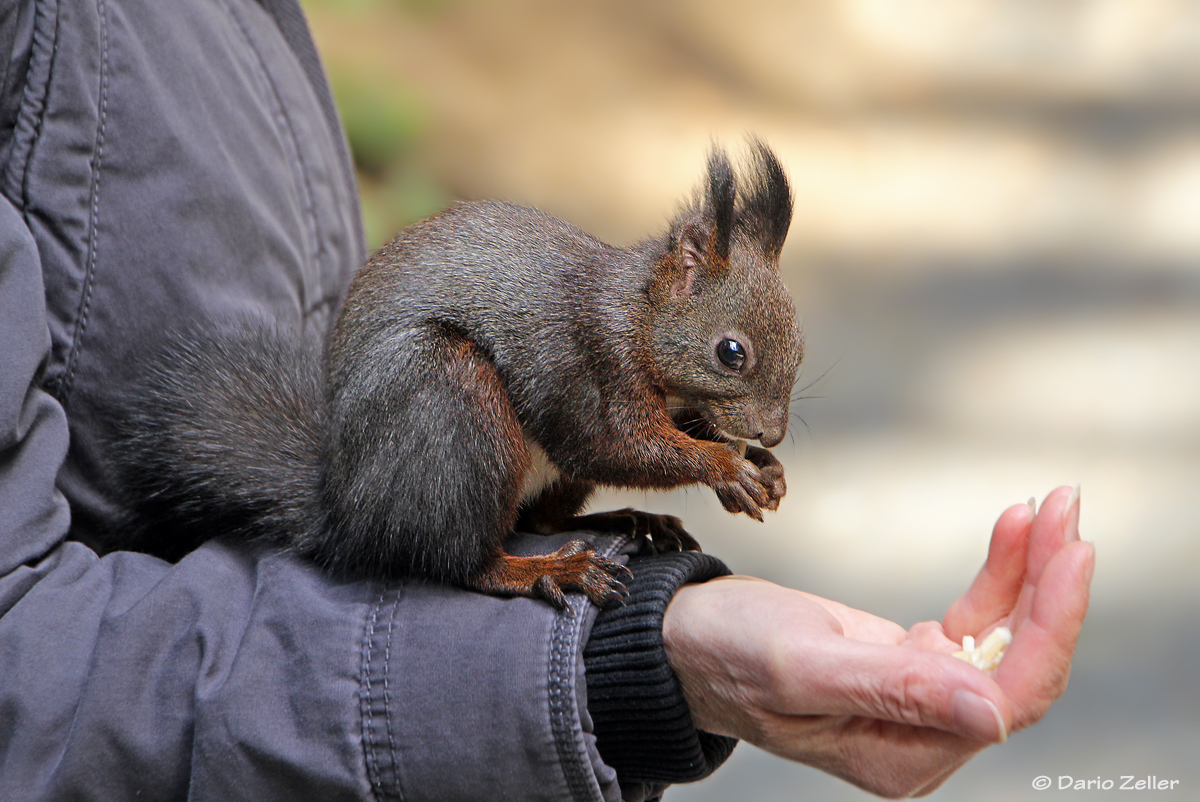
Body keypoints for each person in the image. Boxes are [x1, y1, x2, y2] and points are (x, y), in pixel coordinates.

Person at [0, 0, 1093, 800]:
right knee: (479, 394)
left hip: (387, 528)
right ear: (681, 268)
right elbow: (599, 431)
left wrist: (661, 633)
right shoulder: (608, 332)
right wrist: (708, 464)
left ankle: (521, 537)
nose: (756, 419)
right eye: (729, 361)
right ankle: (488, 558)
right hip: (424, 391)